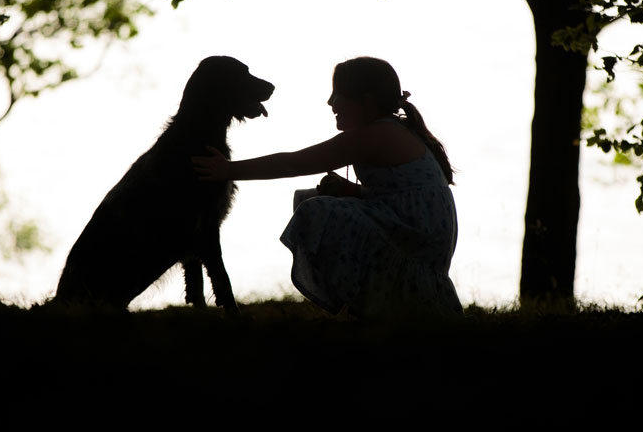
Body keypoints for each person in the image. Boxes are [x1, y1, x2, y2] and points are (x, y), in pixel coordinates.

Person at [192, 56, 463, 319]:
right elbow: (401, 194)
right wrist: (356, 192)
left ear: (366, 102)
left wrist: (229, 170)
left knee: (317, 211)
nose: (330, 102)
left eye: (337, 95)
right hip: (417, 233)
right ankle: (377, 302)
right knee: (310, 197)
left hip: (415, 241)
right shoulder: (390, 129)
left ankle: (369, 304)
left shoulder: (375, 134)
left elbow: (292, 163)